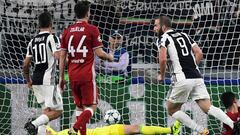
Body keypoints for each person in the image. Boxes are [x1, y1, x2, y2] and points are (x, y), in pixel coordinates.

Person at [154, 15, 240, 135]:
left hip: (182, 78)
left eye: (156, 25)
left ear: (163, 27)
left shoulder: (163, 38)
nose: (154, 28)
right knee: (208, 107)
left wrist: (161, 76)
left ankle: (201, 130)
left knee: (172, 109)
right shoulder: (185, 35)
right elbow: (199, 52)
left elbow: (162, 59)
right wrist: (192, 66)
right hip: (197, 76)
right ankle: (234, 125)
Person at [58, 1, 113, 135]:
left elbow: (62, 57)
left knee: (79, 107)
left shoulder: (67, 31)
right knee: (92, 106)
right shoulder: (92, 29)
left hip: (72, 74)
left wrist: (61, 77)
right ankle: (75, 128)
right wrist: (110, 57)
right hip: (87, 75)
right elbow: (100, 53)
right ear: (88, 13)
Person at [23, 11, 63, 135]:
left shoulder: (32, 41)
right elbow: (58, 56)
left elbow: (25, 64)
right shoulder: (52, 37)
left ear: (38, 25)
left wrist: (28, 79)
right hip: (48, 80)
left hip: (36, 79)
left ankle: (39, 131)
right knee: (58, 111)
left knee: (46, 111)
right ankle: (33, 124)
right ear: (51, 24)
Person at [45, 120, 181, 135]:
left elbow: (47, 128)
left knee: (135, 128)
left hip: (103, 131)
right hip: (104, 133)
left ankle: (170, 130)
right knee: (135, 129)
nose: (47, 132)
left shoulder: (57, 133)